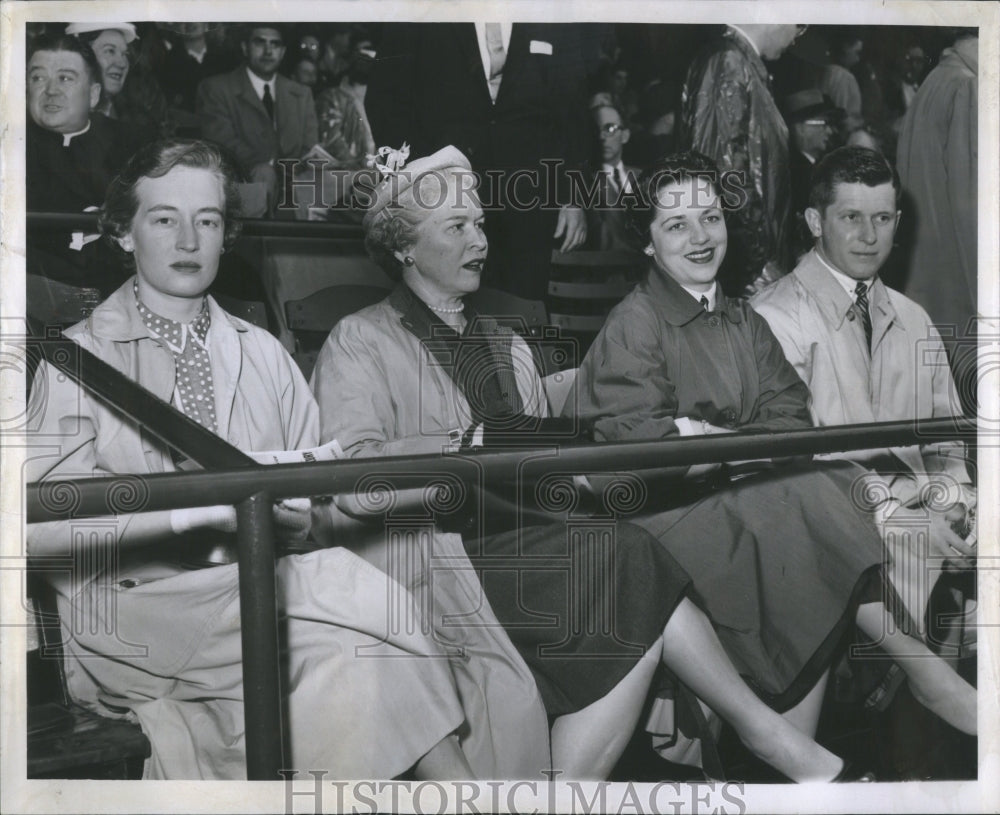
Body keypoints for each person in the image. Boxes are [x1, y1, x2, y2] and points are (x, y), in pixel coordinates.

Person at [311, 144, 866, 782]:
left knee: (629, 565)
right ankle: (763, 733)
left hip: (523, 535)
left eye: (481, 223)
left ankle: (582, 787)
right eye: (456, 227)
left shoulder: (506, 340)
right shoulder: (361, 339)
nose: (479, 240)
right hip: (436, 553)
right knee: (625, 562)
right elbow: (353, 481)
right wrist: (469, 446)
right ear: (404, 247)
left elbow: (543, 458)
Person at [24, 138, 551, 781]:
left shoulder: (264, 352)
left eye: (209, 221)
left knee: (369, 663)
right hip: (139, 610)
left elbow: (321, 494)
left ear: (227, 235)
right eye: (165, 219)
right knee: (359, 597)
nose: (189, 239)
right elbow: (40, 527)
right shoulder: (80, 360)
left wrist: (300, 518)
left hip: (259, 588)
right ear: (123, 234)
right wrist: (188, 516)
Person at [568, 151, 977, 739]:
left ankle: (806, 753)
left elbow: (791, 419)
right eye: (677, 225)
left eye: (710, 217)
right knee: (810, 495)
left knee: (816, 491)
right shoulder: (636, 323)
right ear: (648, 244)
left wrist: (708, 438)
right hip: (657, 524)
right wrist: (734, 446)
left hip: (733, 502)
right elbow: (639, 452)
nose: (701, 237)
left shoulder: (739, 318)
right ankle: (919, 677)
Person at [750, 146, 976, 631]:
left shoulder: (912, 317)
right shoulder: (775, 318)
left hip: (922, 512)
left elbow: (946, 441)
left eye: (883, 218)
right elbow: (794, 470)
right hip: (839, 522)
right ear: (815, 221)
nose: (870, 237)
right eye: (851, 217)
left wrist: (957, 504)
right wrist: (913, 523)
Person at [365, 23, 591, 300]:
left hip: (530, 205)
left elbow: (573, 113)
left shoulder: (547, 17)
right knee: (443, 309)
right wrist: (416, 181)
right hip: (443, 201)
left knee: (525, 309)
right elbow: (384, 99)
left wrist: (572, 197)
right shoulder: (423, 14)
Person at [679, 24, 804, 294]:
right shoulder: (729, 62)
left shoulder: (739, 63)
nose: (797, 37)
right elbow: (722, 173)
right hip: (749, 272)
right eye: (800, 24)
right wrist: (759, 263)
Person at [896, 29, 978, 402]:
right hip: (961, 284)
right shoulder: (966, 87)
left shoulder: (935, 81)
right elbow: (971, 202)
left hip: (927, 280)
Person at [25, 33, 134, 296]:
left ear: (94, 94)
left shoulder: (131, 141)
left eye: (65, 78)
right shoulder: (12, 144)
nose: (50, 90)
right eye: (38, 78)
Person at [196, 24, 319, 216]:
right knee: (264, 174)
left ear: (283, 51)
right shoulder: (217, 88)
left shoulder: (301, 94)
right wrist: (272, 167)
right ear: (245, 47)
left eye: (275, 44)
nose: (268, 51)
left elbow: (309, 147)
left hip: (293, 185)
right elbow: (222, 144)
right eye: (260, 42)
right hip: (241, 182)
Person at [783, 89, 838, 261]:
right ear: (801, 128)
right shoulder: (792, 174)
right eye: (823, 124)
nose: (829, 131)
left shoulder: (816, 168)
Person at [585, 103, 642, 252]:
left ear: (625, 135)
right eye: (595, 130)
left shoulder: (644, 178)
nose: (602, 137)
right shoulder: (583, 181)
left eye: (609, 129)